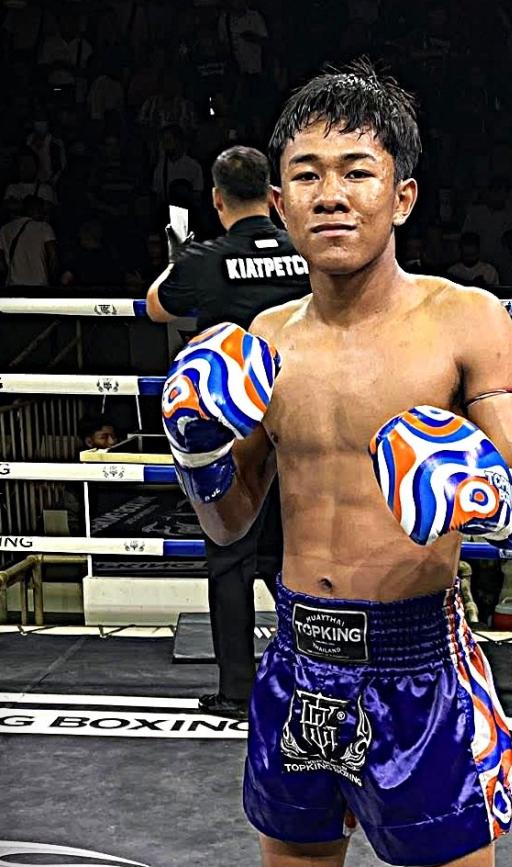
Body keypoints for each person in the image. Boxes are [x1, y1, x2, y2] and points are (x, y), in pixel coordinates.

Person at [162, 61, 512, 867]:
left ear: (402, 196)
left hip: (420, 669)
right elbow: (230, 523)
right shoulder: (263, 339)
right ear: (277, 201)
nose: (330, 194)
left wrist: (488, 499)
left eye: (356, 171)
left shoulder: (463, 320)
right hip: (299, 661)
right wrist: (199, 455)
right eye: (305, 174)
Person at [147, 146, 308, 718]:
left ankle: (238, 689)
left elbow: (157, 307)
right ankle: (313, 677)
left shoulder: (205, 258)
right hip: (302, 419)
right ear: (274, 195)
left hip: (235, 428)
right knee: (301, 553)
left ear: (217, 200)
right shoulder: (306, 250)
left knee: (231, 556)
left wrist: (177, 256)